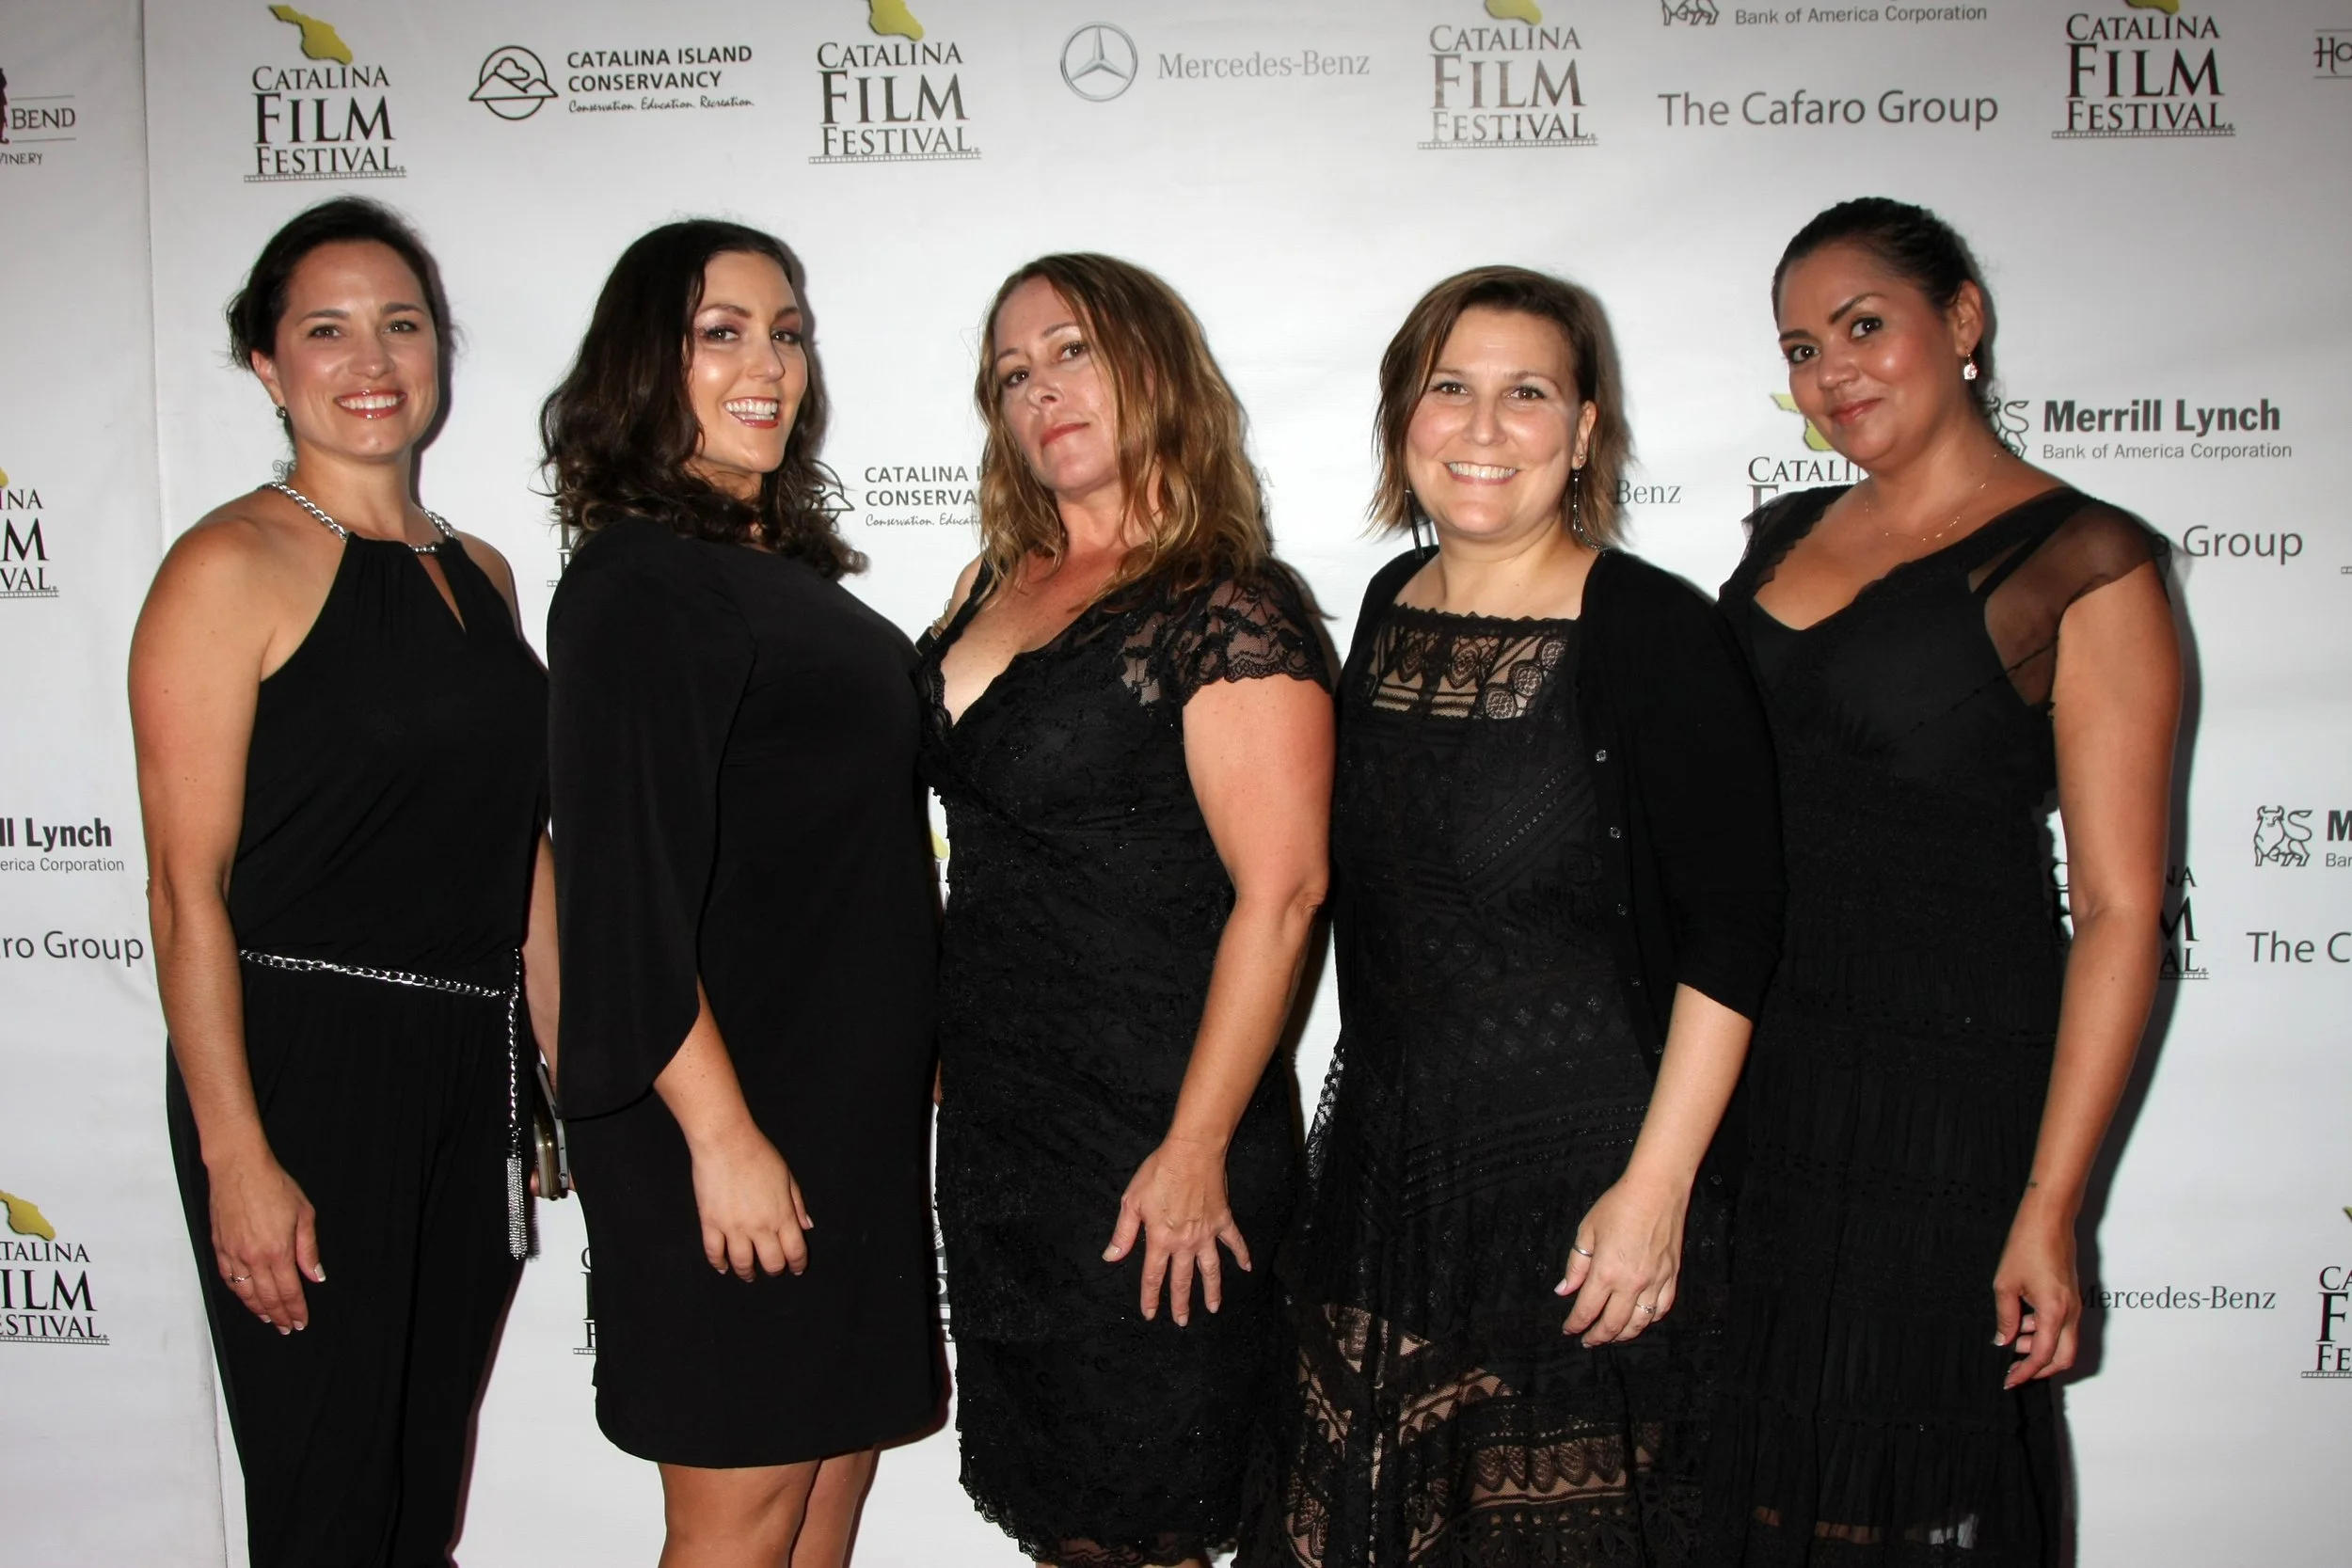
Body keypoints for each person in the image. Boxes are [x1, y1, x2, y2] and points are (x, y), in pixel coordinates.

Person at [1245, 267, 1784, 1566]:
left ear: (1586, 429)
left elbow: (1735, 927)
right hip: (1390, 1177)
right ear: (1401, 419)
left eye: (1527, 393)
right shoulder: (1382, 611)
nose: (1483, 429)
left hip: (1582, 1180)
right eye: (1451, 389)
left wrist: (1656, 1191)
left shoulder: (1652, 628)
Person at [1703, 198, 2179, 1564]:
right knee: (1749, 1474)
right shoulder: (1778, 535)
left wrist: (2051, 1205)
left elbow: (2125, 913)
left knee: (1897, 1480)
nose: (1831, 371)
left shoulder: (2086, 563)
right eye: (1800, 345)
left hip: (1943, 1100)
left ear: (1961, 319)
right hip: (1757, 1075)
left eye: (1864, 325)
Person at [132, 198, 555, 1567]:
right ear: (266, 362)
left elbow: (520, 853)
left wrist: (565, 1066)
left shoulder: (480, 572)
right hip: (302, 1071)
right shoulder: (226, 563)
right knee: (324, 1508)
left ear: (439, 351)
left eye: (401, 323)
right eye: (326, 328)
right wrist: (237, 1155)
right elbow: (186, 893)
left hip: (465, 1073)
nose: (370, 359)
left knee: (418, 1496)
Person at [917, 253, 1334, 1568]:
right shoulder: (996, 584)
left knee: (1144, 1522)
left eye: (1072, 349)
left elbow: (1285, 894)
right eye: (1012, 371)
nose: (1041, 387)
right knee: (1064, 1523)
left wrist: (1199, 1143)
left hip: (1158, 1128)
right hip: (1005, 1136)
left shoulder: (1226, 604)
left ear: (1153, 365)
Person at [543, 220, 939, 1568]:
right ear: (646, 365)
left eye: (786, 331)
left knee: (825, 1496)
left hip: (844, 1114)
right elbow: (620, 890)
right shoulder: (634, 583)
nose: (766, 362)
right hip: (727, 1108)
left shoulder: (773, 577)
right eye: (722, 331)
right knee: (742, 1516)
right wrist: (723, 1137)